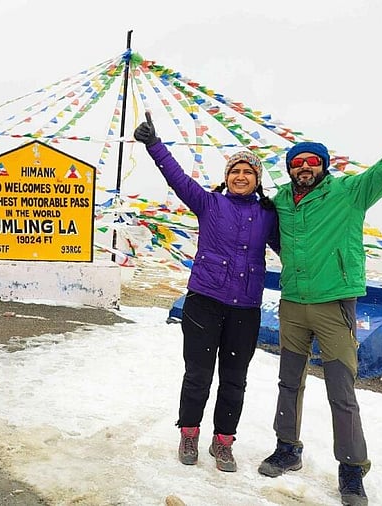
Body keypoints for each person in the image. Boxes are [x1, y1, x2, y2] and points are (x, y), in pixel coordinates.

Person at [257, 85, 382, 506]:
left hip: (335, 304)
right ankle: (288, 449)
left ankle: (352, 471)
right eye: (296, 163)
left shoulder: (350, 193)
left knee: (341, 391)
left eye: (312, 162)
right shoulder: (280, 201)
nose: (304, 168)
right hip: (294, 304)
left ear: (324, 166)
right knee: (288, 382)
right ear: (289, 169)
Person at [134, 112, 280, 472]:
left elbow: (294, 250)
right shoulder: (210, 204)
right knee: (197, 374)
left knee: (234, 379)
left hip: (245, 309)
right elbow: (178, 179)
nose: (241, 176)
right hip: (204, 302)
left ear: (257, 179)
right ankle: (189, 433)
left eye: (248, 172)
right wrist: (154, 145)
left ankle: (223, 442)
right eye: (235, 171)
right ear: (226, 178)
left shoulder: (268, 214)